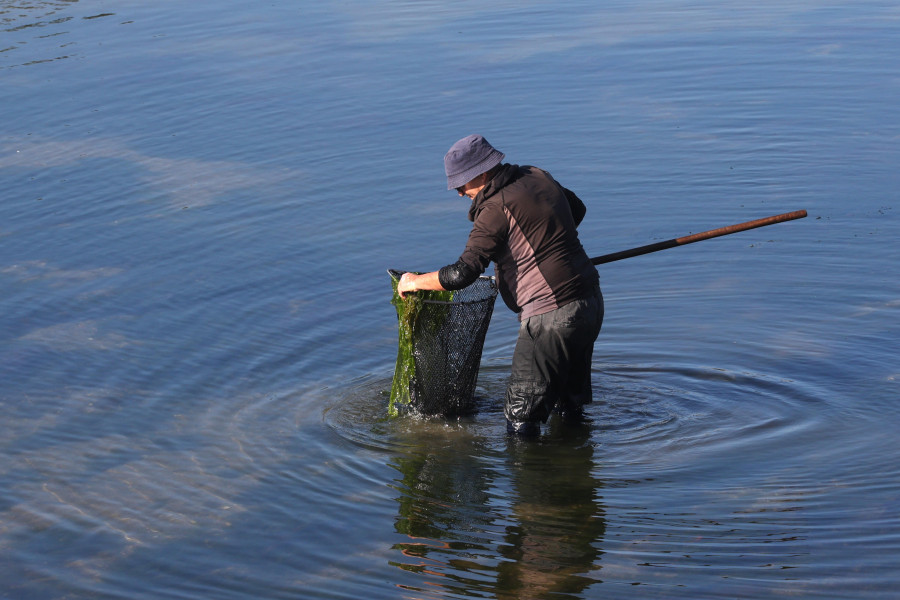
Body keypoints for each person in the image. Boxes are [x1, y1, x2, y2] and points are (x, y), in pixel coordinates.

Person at [397, 134, 603, 436]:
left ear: (481, 173)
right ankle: (574, 473)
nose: (458, 193)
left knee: (521, 419)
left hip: (550, 318)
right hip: (590, 303)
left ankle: (533, 478)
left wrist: (415, 282)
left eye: (460, 184)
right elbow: (577, 211)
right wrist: (537, 247)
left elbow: (461, 274)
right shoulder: (538, 175)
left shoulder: (494, 210)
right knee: (568, 406)